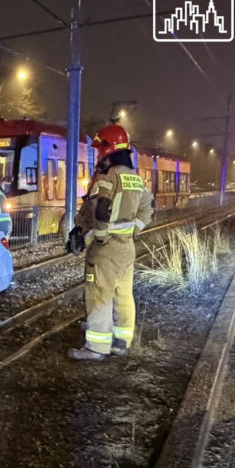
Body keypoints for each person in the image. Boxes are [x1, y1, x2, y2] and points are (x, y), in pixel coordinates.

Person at [68, 124, 154, 362]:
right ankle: (121, 342)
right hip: (127, 248)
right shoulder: (135, 179)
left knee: (99, 295)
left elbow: (102, 210)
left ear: (109, 148)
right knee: (123, 295)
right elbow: (149, 209)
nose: (98, 155)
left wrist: (102, 236)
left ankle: (96, 347)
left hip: (106, 251)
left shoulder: (109, 177)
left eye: (99, 149)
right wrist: (131, 230)